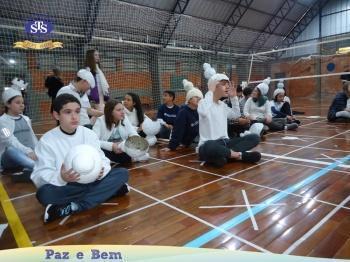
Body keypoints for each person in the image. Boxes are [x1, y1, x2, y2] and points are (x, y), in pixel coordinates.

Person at [31, 94, 129, 223]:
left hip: (93, 180)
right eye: (68, 112)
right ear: (56, 115)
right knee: (43, 193)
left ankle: (76, 206)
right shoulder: (47, 141)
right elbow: (39, 175)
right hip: (68, 186)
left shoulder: (88, 134)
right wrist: (61, 177)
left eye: (77, 111)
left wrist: (101, 171)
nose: (74, 116)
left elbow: (103, 159)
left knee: (122, 173)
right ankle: (107, 192)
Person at [197, 63, 261, 168]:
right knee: (209, 146)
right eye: (223, 84)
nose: (227, 86)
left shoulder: (223, 105)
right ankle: (237, 155)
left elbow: (236, 115)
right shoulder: (203, 103)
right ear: (214, 86)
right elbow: (204, 112)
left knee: (254, 137)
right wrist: (211, 90)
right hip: (207, 145)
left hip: (226, 143)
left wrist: (234, 98)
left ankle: (224, 156)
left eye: (228, 84)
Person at [93, 99, 148, 164]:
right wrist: (111, 146)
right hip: (107, 149)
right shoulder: (100, 121)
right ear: (110, 112)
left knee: (145, 155)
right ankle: (131, 158)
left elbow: (132, 132)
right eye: (119, 110)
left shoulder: (124, 118)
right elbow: (94, 141)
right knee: (101, 153)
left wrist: (138, 143)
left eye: (123, 109)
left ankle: (121, 160)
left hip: (121, 149)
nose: (123, 112)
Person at [0, 85, 37, 179]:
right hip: (10, 159)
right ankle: (38, 168)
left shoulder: (26, 119)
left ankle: (27, 172)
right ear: (8, 104)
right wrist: (27, 151)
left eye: (22, 103)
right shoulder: (2, 122)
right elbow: (10, 140)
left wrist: (38, 150)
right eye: (17, 103)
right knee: (10, 150)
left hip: (29, 155)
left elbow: (32, 137)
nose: (22, 105)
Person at [164, 79, 202, 151]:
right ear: (189, 100)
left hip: (191, 141)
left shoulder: (199, 110)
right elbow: (177, 130)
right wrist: (171, 146)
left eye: (200, 97)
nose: (199, 99)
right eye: (196, 97)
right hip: (180, 143)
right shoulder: (183, 112)